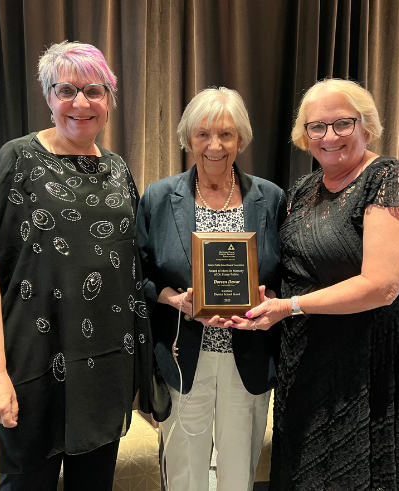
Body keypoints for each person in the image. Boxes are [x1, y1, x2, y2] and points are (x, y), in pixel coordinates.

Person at [0, 41, 167, 491]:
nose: (81, 102)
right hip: (34, 361)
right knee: (27, 482)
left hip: (105, 364)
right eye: (66, 89)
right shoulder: (19, 159)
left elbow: (129, 268)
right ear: (49, 97)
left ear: (109, 99)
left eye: (94, 90)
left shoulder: (118, 169)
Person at [230, 79, 399, 490]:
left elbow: (382, 285)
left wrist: (289, 307)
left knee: (380, 472)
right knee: (309, 468)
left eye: (342, 123)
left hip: (381, 354)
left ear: (366, 126)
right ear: (304, 135)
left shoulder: (389, 179)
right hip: (313, 354)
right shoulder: (303, 189)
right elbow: (294, 268)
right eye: (317, 127)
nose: (329, 137)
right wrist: (267, 298)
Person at [136, 87, 286, 491]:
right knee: (185, 469)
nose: (214, 146)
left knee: (240, 470)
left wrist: (271, 300)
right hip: (185, 352)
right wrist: (175, 300)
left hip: (248, 351)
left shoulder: (270, 198)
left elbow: (287, 272)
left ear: (241, 139)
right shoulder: (159, 197)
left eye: (226, 134)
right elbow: (140, 276)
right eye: (203, 134)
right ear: (188, 139)